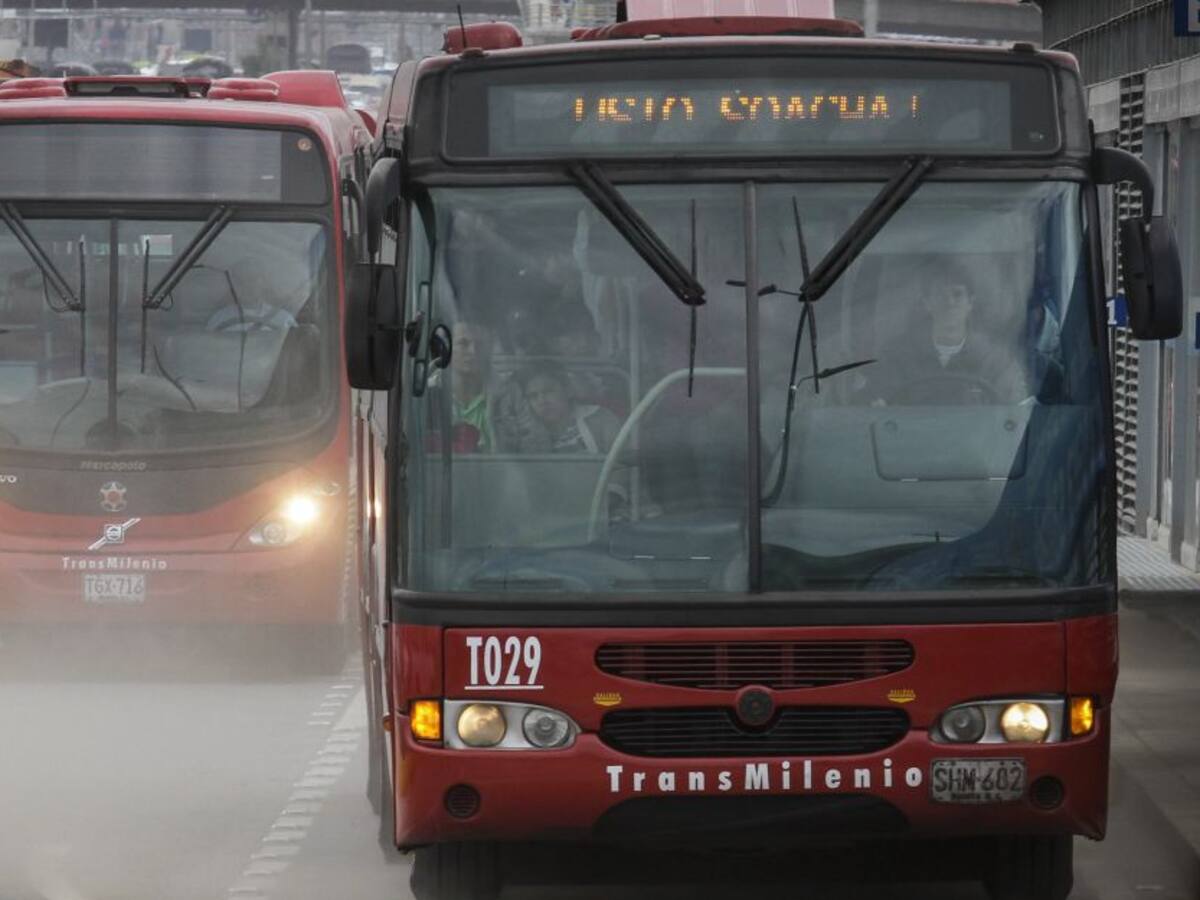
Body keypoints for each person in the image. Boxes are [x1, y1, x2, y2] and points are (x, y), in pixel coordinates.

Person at [869, 266, 1030, 405]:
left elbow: (1014, 410)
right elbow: (878, 401)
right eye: (940, 294)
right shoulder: (898, 356)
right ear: (927, 303)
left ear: (970, 303)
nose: (949, 302)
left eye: (957, 294)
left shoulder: (995, 361)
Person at [443, 320, 546, 454]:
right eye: (463, 343)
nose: (473, 351)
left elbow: (538, 442)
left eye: (480, 344)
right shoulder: (430, 393)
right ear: (447, 347)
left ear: (490, 349)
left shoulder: (510, 392)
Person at [519, 361, 621, 455]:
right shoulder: (526, 435)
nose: (542, 401)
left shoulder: (600, 418)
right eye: (533, 396)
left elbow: (622, 466)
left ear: (568, 390)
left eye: (548, 391)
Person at [205, 257, 299, 333]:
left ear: (264, 283)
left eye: (252, 279)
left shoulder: (284, 320)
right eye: (241, 280)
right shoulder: (219, 320)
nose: (247, 285)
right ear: (233, 285)